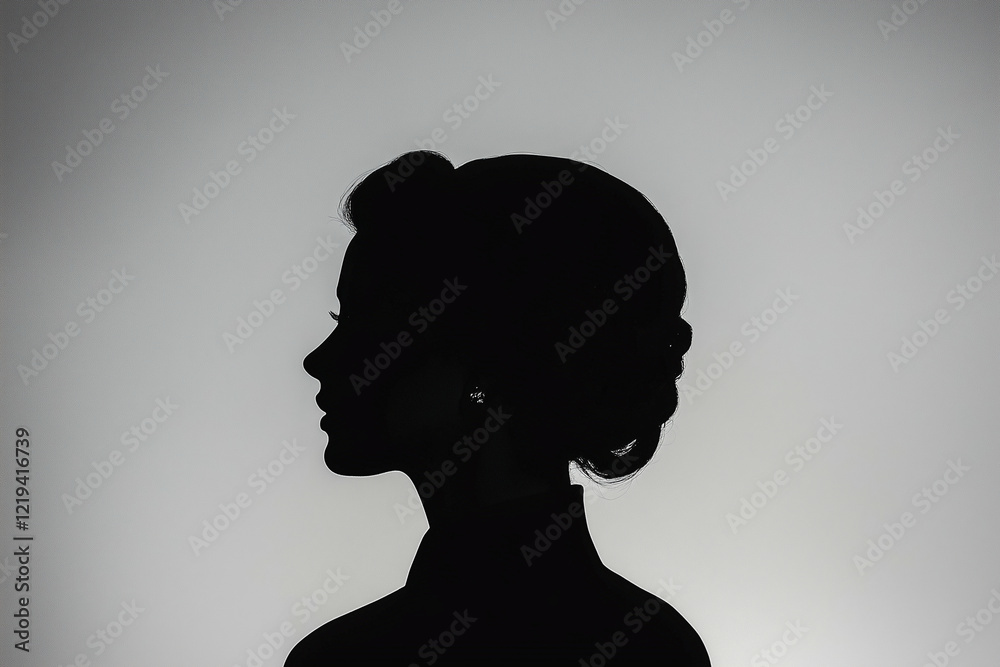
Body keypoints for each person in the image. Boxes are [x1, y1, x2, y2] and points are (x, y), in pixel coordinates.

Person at [287, 151, 710, 665]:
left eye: (367, 325)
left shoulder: (348, 657)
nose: (318, 359)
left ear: (490, 364)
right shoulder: (651, 645)